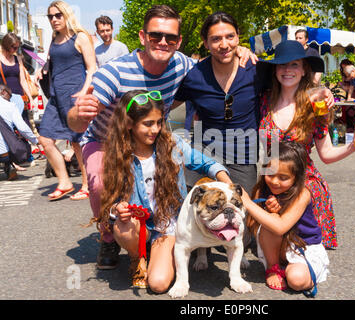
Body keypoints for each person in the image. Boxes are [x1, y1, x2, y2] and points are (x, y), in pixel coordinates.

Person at [66, 5, 255, 270]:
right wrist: (78, 112)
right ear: (143, 37)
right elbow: (75, 121)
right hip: (105, 139)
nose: (162, 42)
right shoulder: (114, 72)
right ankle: (108, 237)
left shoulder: (183, 65)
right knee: (99, 184)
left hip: (149, 138)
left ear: (178, 42)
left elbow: (217, 56)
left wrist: (240, 50)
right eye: (155, 36)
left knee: (163, 182)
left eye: (170, 38)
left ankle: (163, 229)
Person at [96, 90, 232, 291]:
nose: (155, 129)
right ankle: (137, 258)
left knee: (158, 284)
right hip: (137, 224)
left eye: (159, 122)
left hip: (166, 222)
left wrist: (226, 183)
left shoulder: (172, 144)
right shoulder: (117, 154)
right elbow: (111, 200)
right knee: (123, 228)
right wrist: (118, 208)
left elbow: (205, 163)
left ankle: (161, 252)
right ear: (129, 123)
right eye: (148, 124)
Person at [257, 40, 355, 249]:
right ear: (275, 70)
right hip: (272, 180)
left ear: (303, 70)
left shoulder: (315, 106)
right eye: (282, 65)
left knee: (296, 253)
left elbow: (326, 154)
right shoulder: (263, 101)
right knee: (271, 245)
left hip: (303, 181)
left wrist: (353, 146)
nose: (287, 70)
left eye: (294, 65)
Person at [173, 11, 262, 194]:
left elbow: (290, 86)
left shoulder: (256, 70)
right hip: (204, 156)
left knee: (242, 215)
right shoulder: (195, 76)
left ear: (238, 36)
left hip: (243, 160)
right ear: (206, 43)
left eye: (230, 36)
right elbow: (165, 106)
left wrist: (320, 92)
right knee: (194, 212)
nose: (224, 45)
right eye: (216, 39)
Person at [241, 141, 329, 292]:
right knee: (271, 221)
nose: (275, 181)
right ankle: (273, 267)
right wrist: (269, 212)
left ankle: (301, 270)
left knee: (296, 280)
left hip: (304, 246)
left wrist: (247, 203)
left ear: (296, 177)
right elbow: (251, 224)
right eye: (270, 174)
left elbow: (281, 227)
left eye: (283, 177)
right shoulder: (262, 190)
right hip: (280, 248)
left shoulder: (303, 193)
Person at [35, 1, 96, 201]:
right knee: (45, 139)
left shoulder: (80, 37)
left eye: (57, 15)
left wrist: (84, 92)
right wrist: (41, 72)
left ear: (66, 15)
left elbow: (92, 68)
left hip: (75, 96)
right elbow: (54, 64)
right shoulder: (54, 39)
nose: (53, 20)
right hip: (56, 97)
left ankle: (87, 185)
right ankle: (65, 181)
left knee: (78, 143)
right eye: (50, 16)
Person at [0, 85, 39, 181]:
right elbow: (23, 128)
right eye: (10, 95)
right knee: (14, 141)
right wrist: (36, 141)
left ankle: (9, 166)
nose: (11, 97)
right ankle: (9, 166)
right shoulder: (9, 106)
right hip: (3, 154)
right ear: (3, 92)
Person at [0, 33, 37, 117]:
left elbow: (23, 81)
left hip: (19, 99)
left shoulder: (18, 59)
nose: (16, 50)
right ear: (6, 45)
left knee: (24, 126)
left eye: (17, 47)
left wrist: (30, 99)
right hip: (4, 99)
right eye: (14, 47)